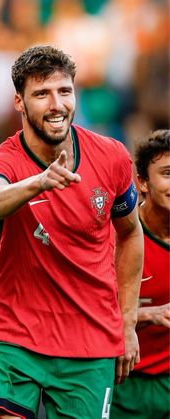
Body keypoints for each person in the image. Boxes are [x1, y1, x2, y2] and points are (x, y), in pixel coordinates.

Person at [0, 45, 144, 419]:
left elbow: (131, 233)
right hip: (15, 339)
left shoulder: (111, 156)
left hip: (90, 341)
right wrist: (37, 183)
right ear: (19, 102)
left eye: (64, 91)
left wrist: (127, 322)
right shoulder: (3, 159)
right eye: (41, 94)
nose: (56, 104)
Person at [111, 129, 170, 419]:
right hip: (122, 381)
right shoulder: (117, 238)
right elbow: (85, 307)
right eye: (168, 174)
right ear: (142, 183)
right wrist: (146, 315)